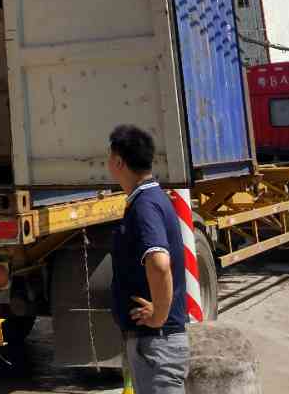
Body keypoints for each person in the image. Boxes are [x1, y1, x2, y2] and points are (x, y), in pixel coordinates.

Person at [107, 124, 189, 394]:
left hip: (157, 344)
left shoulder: (144, 206)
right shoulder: (151, 198)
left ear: (119, 161)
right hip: (156, 344)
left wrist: (159, 315)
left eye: (110, 158)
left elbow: (158, 262)